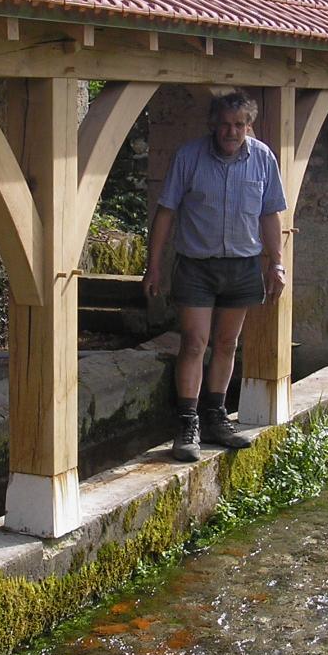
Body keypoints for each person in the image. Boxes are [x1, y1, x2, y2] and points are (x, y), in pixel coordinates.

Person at [141, 91, 287, 462]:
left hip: (242, 265)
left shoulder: (264, 159)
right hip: (196, 265)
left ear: (248, 126)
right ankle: (187, 423)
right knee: (193, 343)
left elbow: (270, 215)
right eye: (224, 124)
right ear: (213, 124)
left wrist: (277, 263)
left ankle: (215, 418)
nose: (231, 131)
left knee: (226, 343)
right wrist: (153, 265)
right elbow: (166, 212)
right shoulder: (189, 157)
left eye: (239, 125)